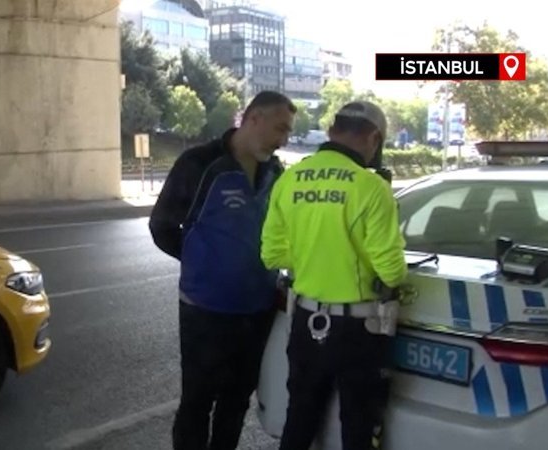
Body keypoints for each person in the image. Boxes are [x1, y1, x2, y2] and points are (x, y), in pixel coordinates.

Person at [149, 90, 296, 450]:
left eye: (288, 132)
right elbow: (162, 225)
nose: (284, 140)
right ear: (253, 119)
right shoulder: (200, 163)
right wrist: (202, 262)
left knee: (236, 401)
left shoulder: (275, 172)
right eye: (280, 129)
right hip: (205, 309)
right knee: (198, 401)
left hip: (257, 309)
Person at [260, 100, 408, 450]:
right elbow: (392, 270)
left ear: (331, 131)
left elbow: (272, 254)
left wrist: (314, 255)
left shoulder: (290, 179)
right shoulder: (371, 188)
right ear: (373, 138)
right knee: (358, 426)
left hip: (306, 321)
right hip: (357, 332)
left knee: (299, 418)